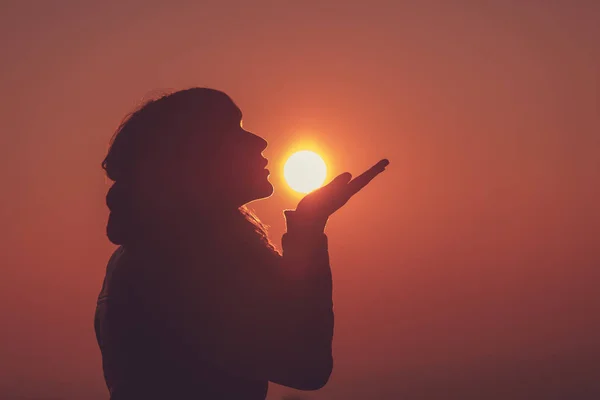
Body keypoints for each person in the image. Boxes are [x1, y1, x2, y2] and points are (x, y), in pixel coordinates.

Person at [94, 88, 389, 400]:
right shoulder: (183, 263)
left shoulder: (150, 251)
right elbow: (306, 364)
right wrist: (308, 230)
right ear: (198, 157)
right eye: (235, 130)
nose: (259, 142)